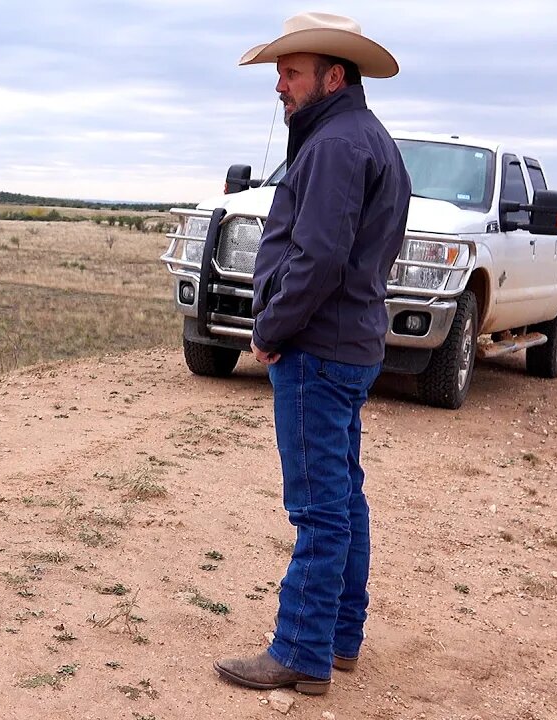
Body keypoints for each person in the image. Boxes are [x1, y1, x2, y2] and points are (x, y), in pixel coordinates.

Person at [213, 12, 412, 695]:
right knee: (343, 497)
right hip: (349, 346)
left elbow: (318, 256)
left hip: (318, 349)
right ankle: (340, 637)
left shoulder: (332, 147)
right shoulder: (368, 139)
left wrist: (270, 329)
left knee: (319, 508)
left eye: (291, 72)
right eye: (279, 71)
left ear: (335, 75)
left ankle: (301, 650)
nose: (280, 84)